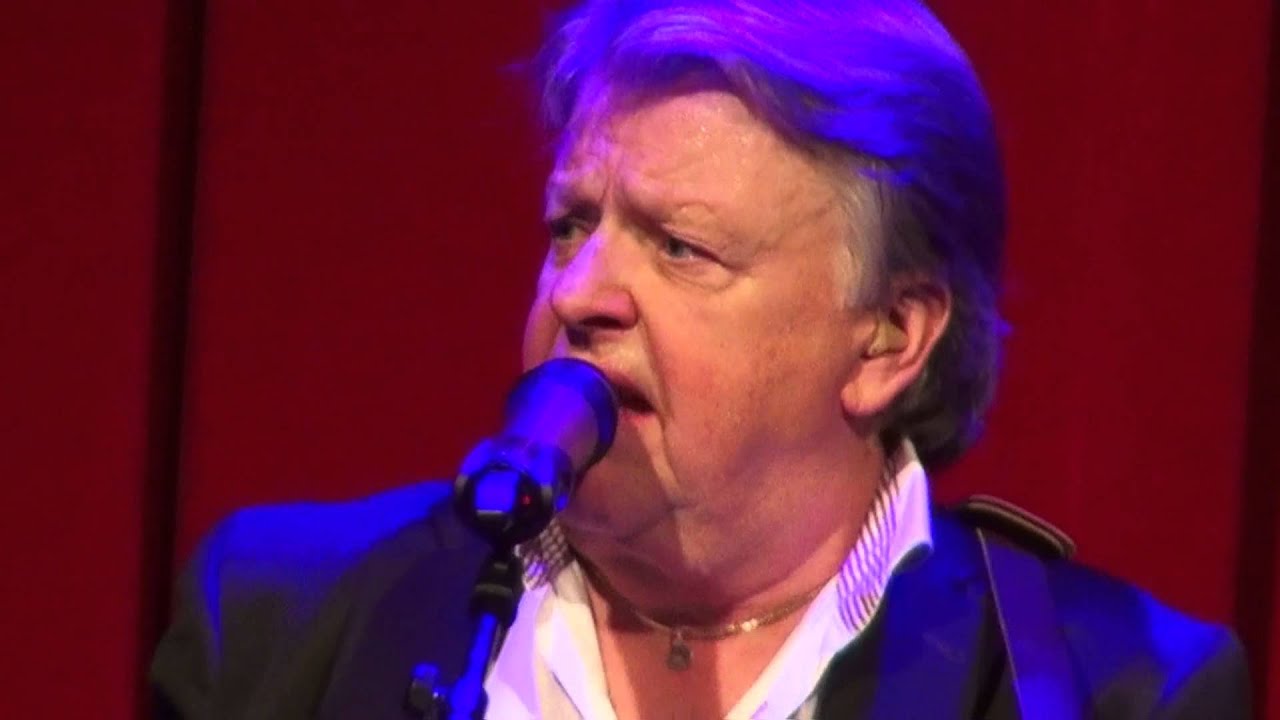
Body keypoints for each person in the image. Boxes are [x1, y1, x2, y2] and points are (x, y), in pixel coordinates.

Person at [151, 1, 1250, 717]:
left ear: (888, 338)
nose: (576, 295)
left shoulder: (1117, 693)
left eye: (681, 247)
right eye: (570, 226)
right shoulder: (278, 624)